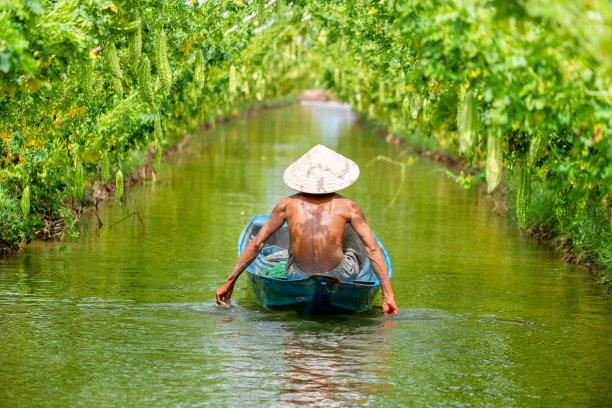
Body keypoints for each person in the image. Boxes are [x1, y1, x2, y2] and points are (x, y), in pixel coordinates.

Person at [215, 144, 398, 314]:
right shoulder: (349, 207)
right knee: (354, 232)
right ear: (335, 179)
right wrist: (388, 296)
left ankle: (303, 283)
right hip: (340, 274)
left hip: (297, 275)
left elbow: (257, 243)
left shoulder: (286, 205)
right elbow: (372, 249)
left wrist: (229, 282)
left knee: (293, 237)